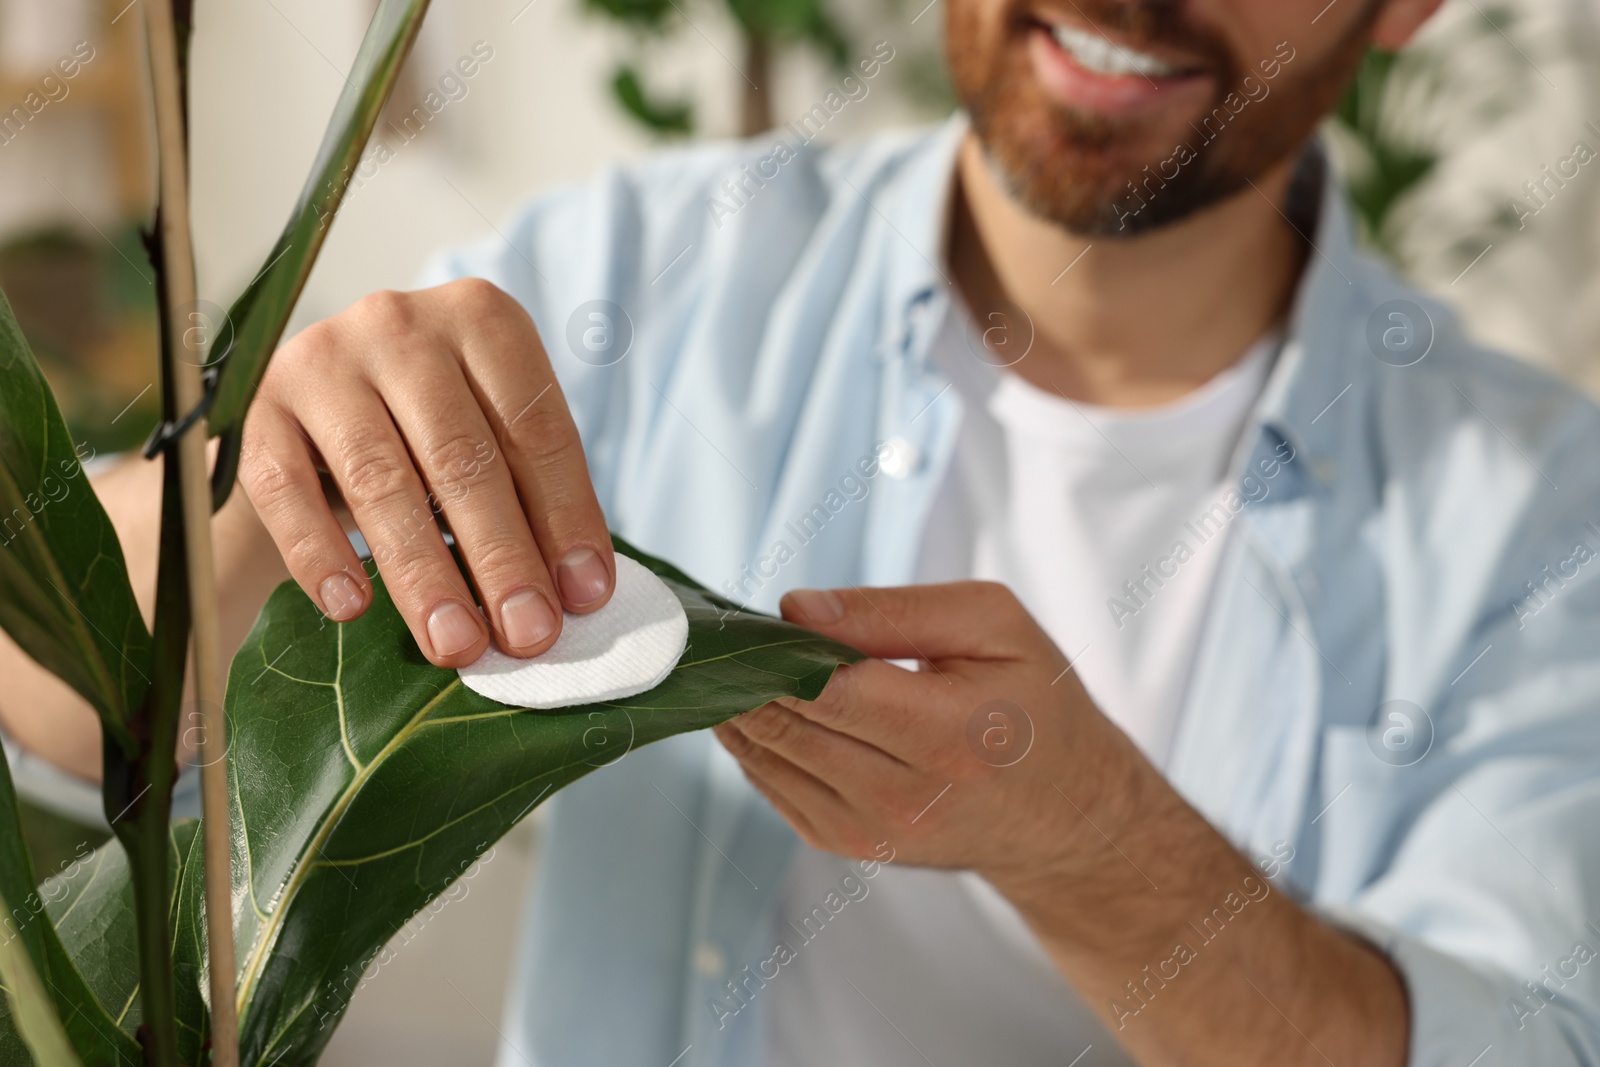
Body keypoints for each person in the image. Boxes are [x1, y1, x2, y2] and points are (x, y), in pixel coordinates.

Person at [6, 0, 1600, 1062]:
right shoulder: (634, 276)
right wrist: (264, 489)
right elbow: (88, 721)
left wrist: (1107, 857)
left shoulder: (1543, 515)